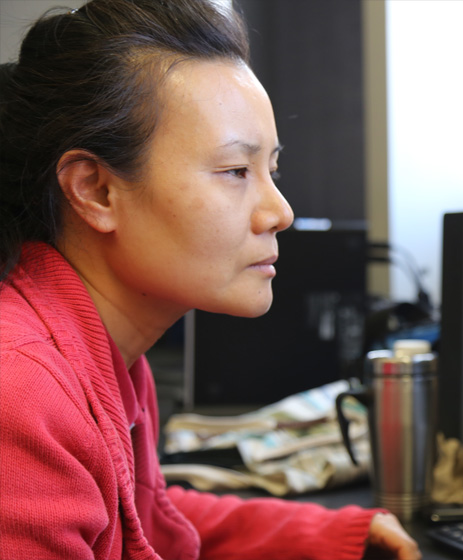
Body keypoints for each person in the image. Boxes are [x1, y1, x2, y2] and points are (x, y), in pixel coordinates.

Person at [0, 1, 421, 558]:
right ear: (96, 190)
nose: (280, 212)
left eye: (271, 170)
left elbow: (138, 516)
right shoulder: (21, 391)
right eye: (234, 172)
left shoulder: (106, 356)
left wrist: (325, 536)